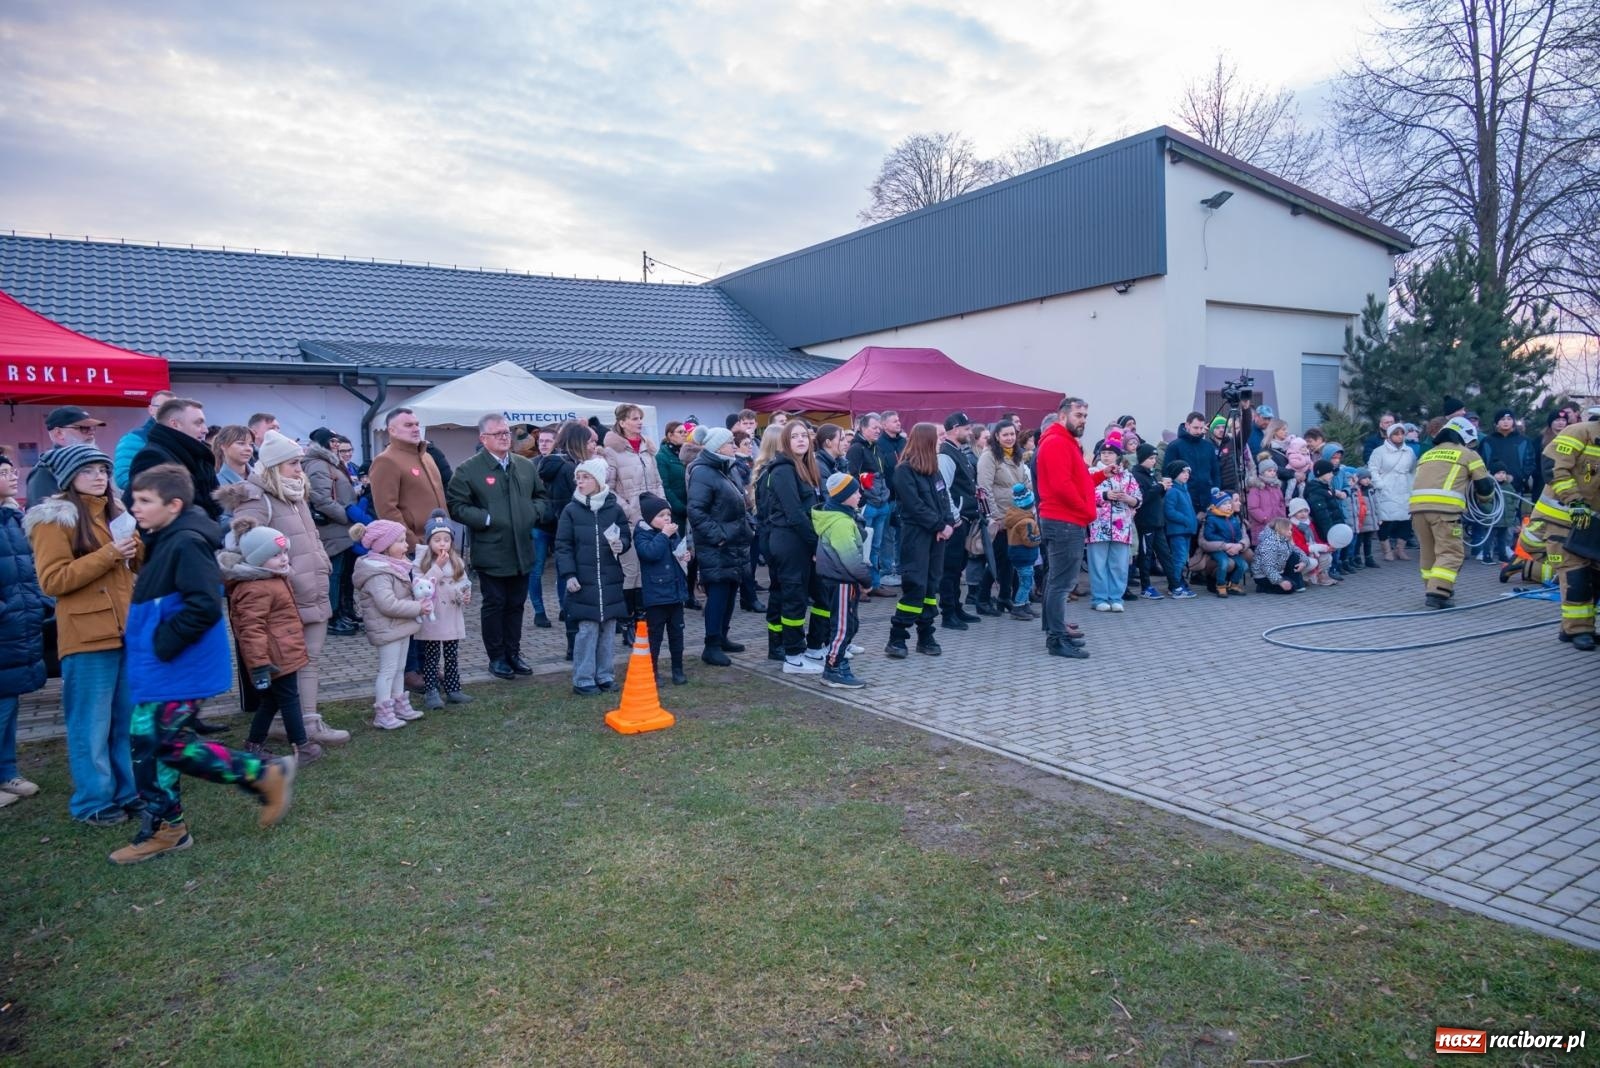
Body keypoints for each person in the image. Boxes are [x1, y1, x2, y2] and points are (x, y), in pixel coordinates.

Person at [113, 464, 295, 864]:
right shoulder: (166, 537)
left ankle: (260, 774)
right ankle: (169, 827)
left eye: (145, 501)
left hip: (176, 668)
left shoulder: (186, 542)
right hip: (160, 668)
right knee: (149, 746)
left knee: (163, 745)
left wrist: (161, 644)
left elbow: (203, 605)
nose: (135, 508)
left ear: (174, 505)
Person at [24, 445, 142, 824]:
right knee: (90, 724)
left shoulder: (115, 512)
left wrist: (137, 544)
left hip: (125, 631)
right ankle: (92, 801)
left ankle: (128, 791)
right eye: (88, 469)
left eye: (104, 470)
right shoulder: (52, 519)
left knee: (125, 720)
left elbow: (134, 566)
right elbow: (52, 580)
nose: (99, 477)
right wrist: (108, 553)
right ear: (68, 477)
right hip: (86, 635)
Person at [215, 431, 347, 748]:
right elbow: (242, 545)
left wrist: (321, 565)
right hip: (284, 597)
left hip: (312, 588)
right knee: (293, 662)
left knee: (309, 659)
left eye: (299, 462)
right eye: (292, 464)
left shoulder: (295, 494)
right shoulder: (255, 498)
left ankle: (302, 720)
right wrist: (280, 575)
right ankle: (300, 724)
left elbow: (311, 537)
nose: (299, 469)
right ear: (274, 467)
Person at [447, 413, 550, 681]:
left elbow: (541, 496)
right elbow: (456, 506)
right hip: (491, 549)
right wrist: (487, 519)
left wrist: (533, 513)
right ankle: (497, 657)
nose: (506, 437)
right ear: (483, 438)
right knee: (495, 604)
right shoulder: (469, 470)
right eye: (498, 433)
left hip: (522, 549)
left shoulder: (524, 466)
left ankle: (514, 653)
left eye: (507, 432)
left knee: (516, 604)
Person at [217, 520, 322, 766]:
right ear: (257, 558)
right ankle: (301, 746)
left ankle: (254, 745)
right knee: (289, 699)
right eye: (276, 554)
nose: (284, 559)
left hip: (282, 652)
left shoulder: (271, 578)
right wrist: (260, 664)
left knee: (272, 700)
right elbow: (251, 629)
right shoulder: (256, 588)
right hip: (275, 657)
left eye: (285, 552)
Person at [556, 458, 632, 696]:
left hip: (609, 579)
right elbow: (563, 545)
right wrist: (569, 574)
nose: (580, 482)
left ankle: (605, 675)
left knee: (608, 631)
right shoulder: (571, 510)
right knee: (587, 630)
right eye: (578, 478)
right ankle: (583, 679)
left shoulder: (614, 508)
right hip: (584, 581)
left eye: (585, 477)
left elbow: (626, 536)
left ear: (598, 481)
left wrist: (622, 544)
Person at [0, 455, 49, 808]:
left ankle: (7, 773)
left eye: (11, 470)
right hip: (6, 624)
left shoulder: (13, 517)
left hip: (20, 625)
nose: (12, 476)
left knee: (10, 702)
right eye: (2, 473)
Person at [349, 518, 431, 729]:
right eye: (401, 541)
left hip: (399, 626)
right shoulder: (378, 573)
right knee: (388, 670)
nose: (406, 545)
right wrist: (418, 607)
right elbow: (388, 604)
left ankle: (399, 704)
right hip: (387, 628)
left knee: (400, 667)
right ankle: (383, 712)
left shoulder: (396, 567)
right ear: (385, 547)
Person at [756, 420, 823, 674]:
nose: (801, 440)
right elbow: (794, 513)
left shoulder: (804, 467)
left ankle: (800, 647)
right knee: (793, 598)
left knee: (800, 594)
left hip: (799, 541)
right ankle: (792, 655)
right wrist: (815, 544)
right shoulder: (783, 470)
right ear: (785, 441)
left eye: (804, 436)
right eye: (794, 436)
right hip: (788, 541)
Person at [1408, 416, 1496, 609]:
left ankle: (1433, 586)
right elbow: (1484, 486)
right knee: (1451, 552)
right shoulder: (1468, 454)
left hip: (1417, 510)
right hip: (1445, 512)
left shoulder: (1428, 453)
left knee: (1428, 552)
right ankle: (1438, 592)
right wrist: (1486, 499)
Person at [1035, 398, 1096, 659]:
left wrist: (1102, 475)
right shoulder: (1057, 442)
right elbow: (1062, 485)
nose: (1083, 420)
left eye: (1085, 415)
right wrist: (1087, 511)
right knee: (1062, 584)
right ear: (1063, 416)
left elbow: (1076, 479)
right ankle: (1056, 639)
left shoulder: (1062, 441)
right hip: (1065, 521)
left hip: (1064, 519)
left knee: (1055, 581)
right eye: (1078, 415)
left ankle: (1054, 629)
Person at [886, 423, 953, 659]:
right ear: (927, 441)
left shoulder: (933, 469)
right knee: (915, 585)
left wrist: (947, 524)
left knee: (930, 586)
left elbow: (943, 498)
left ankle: (926, 636)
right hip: (916, 536)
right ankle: (897, 637)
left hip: (936, 536)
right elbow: (914, 506)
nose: (942, 441)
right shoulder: (904, 470)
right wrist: (939, 525)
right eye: (939, 437)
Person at [686, 428, 750, 667]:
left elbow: (740, 501)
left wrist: (747, 528)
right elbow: (696, 511)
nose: (734, 445)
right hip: (718, 545)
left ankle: (722, 636)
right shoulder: (703, 472)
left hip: (735, 542)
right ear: (717, 446)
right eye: (729, 442)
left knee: (731, 592)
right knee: (718, 594)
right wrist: (719, 537)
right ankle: (710, 645)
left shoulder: (727, 468)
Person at [602, 404, 665, 639]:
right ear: (622, 422)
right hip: (629, 520)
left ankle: (643, 619)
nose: (639, 422)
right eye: (634, 419)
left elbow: (658, 482)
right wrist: (631, 511)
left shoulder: (648, 449)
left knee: (648, 570)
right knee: (631, 571)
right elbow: (609, 489)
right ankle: (628, 621)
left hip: (652, 520)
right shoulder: (612, 452)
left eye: (641, 418)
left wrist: (663, 509)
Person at [1539, 407, 1600, 650]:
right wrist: (1573, 500)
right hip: (1563, 518)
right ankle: (1578, 630)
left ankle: (1574, 628)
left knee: (1595, 578)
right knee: (1576, 576)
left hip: (1592, 524)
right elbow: (1553, 465)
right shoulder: (1579, 432)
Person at [811, 472, 871, 688]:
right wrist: (866, 580)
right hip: (842, 580)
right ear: (843, 496)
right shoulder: (840, 523)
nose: (859, 495)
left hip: (840, 579)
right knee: (843, 627)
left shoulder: (842, 517)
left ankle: (839, 662)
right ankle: (833, 669)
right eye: (854, 492)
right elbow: (850, 559)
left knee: (848, 624)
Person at [302, 428, 362, 636]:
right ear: (325, 443)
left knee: (343, 573)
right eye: (334, 441)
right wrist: (346, 515)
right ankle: (333, 616)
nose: (337, 445)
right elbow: (321, 498)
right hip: (332, 528)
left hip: (339, 529)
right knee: (333, 575)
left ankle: (343, 611)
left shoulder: (329, 463)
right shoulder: (319, 464)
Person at [413, 510, 474, 708]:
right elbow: (420, 586)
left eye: (446, 540)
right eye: (437, 539)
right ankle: (431, 691)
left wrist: (464, 593)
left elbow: (463, 582)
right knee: (431, 656)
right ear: (429, 541)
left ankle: (453, 689)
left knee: (451, 654)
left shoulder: (457, 561)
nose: (442, 544)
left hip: (451, 615)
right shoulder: (422, 561)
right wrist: (437, 567)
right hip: (433, 616)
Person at [127, 398, 222, 524]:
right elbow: (152, 513)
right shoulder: (153, 457)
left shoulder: (199, 456)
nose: (205, 430)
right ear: (175, 424)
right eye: (198, 423)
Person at [541, 421, 590, 659]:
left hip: (562, 531)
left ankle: (575, 643)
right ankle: (574, 645)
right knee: (575, 589)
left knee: (570, 586)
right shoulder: (568, 467)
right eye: (589, 441)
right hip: (572, 533)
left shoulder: (557, 464)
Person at [368, 407, 447, 550]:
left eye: (417, 424)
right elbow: (386, 510)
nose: (416, 429)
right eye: (408, 425)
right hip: (416, 546)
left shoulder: (427, 457)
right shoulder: (386, 461)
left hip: (439, 540)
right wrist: (413, 543)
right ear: (392, 430)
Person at [634, 492, 690, 685]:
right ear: (650, 519)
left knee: (677, 634)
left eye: (668, 514)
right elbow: (650, 553)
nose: (667, 518)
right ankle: (653, 671)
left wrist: (685, 556)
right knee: (655, 636)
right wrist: (665, 535)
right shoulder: (642, 534)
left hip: (675, 593)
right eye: (661, 515)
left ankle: (678, 669)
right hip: (656, 596)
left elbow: (678, 550)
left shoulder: (671, 533)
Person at [976, 420, 1032, 611]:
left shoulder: (1017, 455)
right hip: (1000, 515)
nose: (1009, 438)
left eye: (1012, 434)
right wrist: (993, 516)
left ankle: (1004, 597)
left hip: (1017, 515)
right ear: (997, 436)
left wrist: (1028, 507)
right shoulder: (989, 456)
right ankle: (982, 599)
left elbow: (1024, 482)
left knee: (1011, 559)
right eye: (1005, 435)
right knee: (998, 558)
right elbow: (984, 488)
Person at [935, 413, 984, 629]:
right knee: (950, 568)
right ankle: (948, 612)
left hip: (963, 517)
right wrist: (954, 517)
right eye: (966, 428)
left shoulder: (958, 452)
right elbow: (943, 489)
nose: (969, 432)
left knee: (958, 567)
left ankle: (956, 606)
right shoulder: (946, 455)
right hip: (955, 520)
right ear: (955, 429)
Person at [1086, 434, 1140, 612]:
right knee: (1098, 564)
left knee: (1118, 564)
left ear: (1118, 455)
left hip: (1121, 527)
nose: (1106, 456)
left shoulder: (1127, 476)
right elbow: (1084, 494)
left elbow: (1139, 499)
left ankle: (1116, 597)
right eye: (1104, 452)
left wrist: (1129, 499)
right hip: (1097, 526)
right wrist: (1104, 495)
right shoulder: (1092, 473)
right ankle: (1099, 598)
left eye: (1110, 453)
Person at [1478, 408, 1537, 564]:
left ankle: (1505, 548)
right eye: (1502, 419)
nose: (1506, 422)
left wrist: (1522, 476)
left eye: (1509, 419)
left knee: (1511, 518)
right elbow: (1480, 461)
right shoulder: (1488, 441)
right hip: (1491, 487)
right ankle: (1487, 550)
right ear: (1496, 423)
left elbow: (1530, 462)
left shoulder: (1523, 440)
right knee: (1491, 517)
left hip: (1514, 486)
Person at [845, 413, 892, 596]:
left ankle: (874, 584)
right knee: (861, 546)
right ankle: (859, 587)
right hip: (868, 504)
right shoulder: (856, 448)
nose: (878, 431)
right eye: (874, 427)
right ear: (862, 428)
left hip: (881, 503)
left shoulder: (876, 448)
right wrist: (863, 498)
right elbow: (853, 475)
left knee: (875, 546)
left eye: (879, 428)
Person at [28, 407, 106, 506]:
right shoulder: (47, 468)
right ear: (59, 433)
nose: (91, 433)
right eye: (83, 428)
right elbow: (42, 514)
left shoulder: (96, 462)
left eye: (92, 428)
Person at [655, 421, 693, 611]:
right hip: (677, 511)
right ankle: (679, 592)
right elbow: (665, 486)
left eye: (685, 432)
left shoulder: (686, 453)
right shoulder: (662, 457)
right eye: (679, 432)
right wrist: (680, 507)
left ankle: (691, 594)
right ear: (669, 435)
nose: (684, 435)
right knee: (677, 552)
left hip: (690, 510)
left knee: (691, 553)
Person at [1369, 421, 1416, 560]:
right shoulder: (1379, 451)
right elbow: (1373, 469)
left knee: (1406, 520)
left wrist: (1413, 485)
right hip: (1387, 487)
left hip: (1405, 487)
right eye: (1396, 433)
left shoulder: (1409, 451)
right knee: (1386, 520)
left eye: (1402, 433)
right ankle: (1387, 550)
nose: (1400, 436)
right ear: (1389, 436)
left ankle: (1400, 549)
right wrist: (1380, 484)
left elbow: (1413, 468)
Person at [111, 390, 177, 489]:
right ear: (151, 410)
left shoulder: (180, 437)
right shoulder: (134, 438)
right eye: (163, 408)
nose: (169, 412)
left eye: (174, 408)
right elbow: (123, 478)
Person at [1166, 412, 1220, 517]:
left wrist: (1215, 492)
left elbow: (1215, 472)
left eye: (1201, 428)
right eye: (1195, 428)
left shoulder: (1208, 447)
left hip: (1207, 499)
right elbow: (1168, 473)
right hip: (1184, 499)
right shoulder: (1175, 446)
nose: (1199, 431)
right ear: (1187, 425)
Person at [1002, 483, 1042, 619]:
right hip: (1024, 555)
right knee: (1026, 582)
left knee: (1025, 580)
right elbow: (1030, 540)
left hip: (1018, 554)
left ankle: (1026, 605)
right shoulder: (1027, 522)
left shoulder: (1014, 516)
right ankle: (1018, 607)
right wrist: (1040, 537)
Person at [1200, 488, 1250, 597]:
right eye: (1225, 504)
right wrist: (1224, 544)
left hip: (1232, 548)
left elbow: (1239, 534)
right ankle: (1220, 585)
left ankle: (1233, 585)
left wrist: (1238, 545)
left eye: (1229, 503)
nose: (1228, 506)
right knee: (1224, 563)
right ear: (1217, 506)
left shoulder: (1232, 518)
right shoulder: (1211, 518)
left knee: (1244, 565)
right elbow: (1208, 535)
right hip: (1219, 549)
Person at [875, 410, 906, 584]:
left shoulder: (904, 442)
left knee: (902, 534)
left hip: (903, 497)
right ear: (884, 424)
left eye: (898, 420)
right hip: (887, 496)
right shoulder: (879, 444)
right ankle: (886, 571)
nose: (898, 423)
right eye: (894, 421)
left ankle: (900, 568)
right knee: (886, 536)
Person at [1161, 462, 1199, 598]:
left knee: (1182, 559)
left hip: (1186, 530)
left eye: (1188, 472)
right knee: (1179, 558)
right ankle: (1174, 585)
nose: (1186, 475)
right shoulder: (1173, 491)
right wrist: (1185, 519)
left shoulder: (1184, 489)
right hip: (1177, 531)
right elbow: (1169, 511)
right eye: (1183, 472)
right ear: (1175, 474)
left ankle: (1178, 583)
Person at [1252, 517, 1306, 593]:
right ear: (1280, 529)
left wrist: (1303, 561)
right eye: (1287, 530)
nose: (1290, 532)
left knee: (1294, 556)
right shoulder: (1269, 543)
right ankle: (1262, 588)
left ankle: (1295, 583)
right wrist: (1280, 581)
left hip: (1278, 571)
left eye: (1290, 530)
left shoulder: (1284, 540)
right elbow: (1267, 567)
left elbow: (1297, 550)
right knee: (1290, 588)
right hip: (1263, 576)